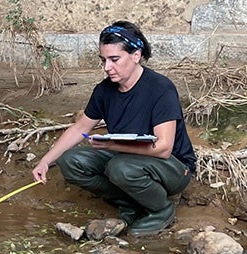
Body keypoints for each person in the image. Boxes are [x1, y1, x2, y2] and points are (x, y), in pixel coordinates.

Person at [31, 20, 196, 235]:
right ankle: (130, 201)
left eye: (114, 59)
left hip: (173, 168)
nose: (107, 67)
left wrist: (111, 144)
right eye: (103, 60)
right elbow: (79, 127)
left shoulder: (160, 88)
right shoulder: (104, 90)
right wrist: (45, 161)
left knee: (120, 167)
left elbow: (164, 148)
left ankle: (161, 210)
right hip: (125, 160)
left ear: (136, 55)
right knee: (70, 161)